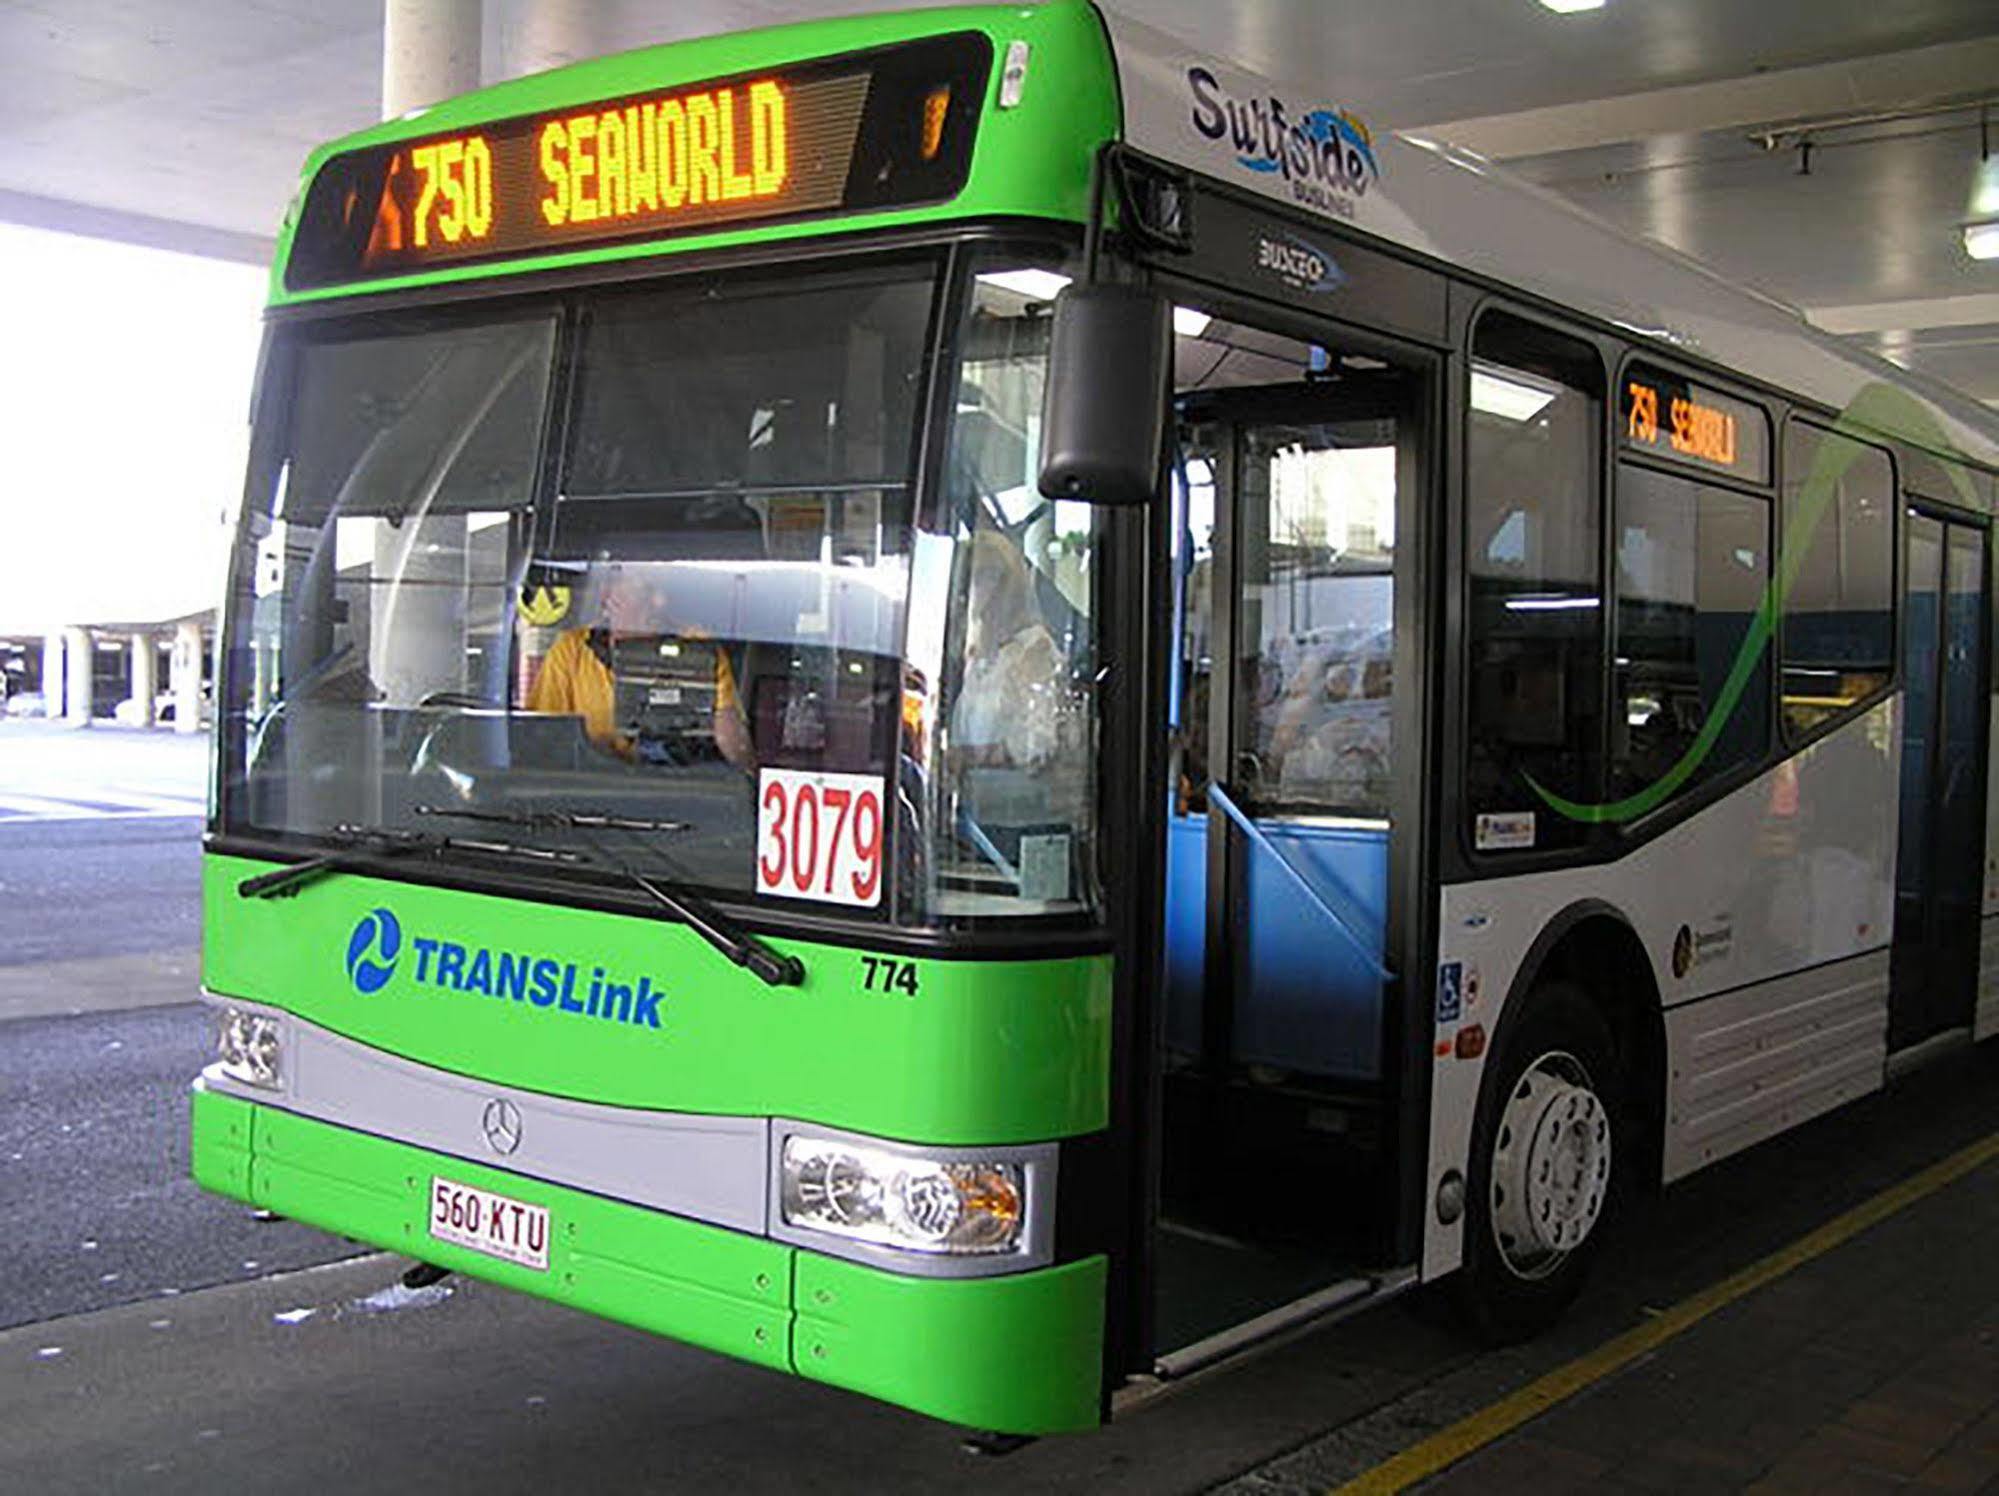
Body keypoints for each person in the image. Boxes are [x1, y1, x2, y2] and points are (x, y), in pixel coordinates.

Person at [527, 562, 752, 768]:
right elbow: (541, 742)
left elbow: (736, 747)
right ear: (608, 596)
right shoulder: (571, 652)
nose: (660, 601)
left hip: (678, 797)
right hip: (591, 798)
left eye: (664, 590)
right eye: (647, 589)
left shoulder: (697, 649)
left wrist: (743, 767)